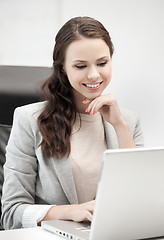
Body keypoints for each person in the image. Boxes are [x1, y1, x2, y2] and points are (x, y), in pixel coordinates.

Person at [1, 16, 144, 229]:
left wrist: (120, 126)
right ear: (63, 69)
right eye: (80, 66)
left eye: (102, 63)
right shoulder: (28, 120)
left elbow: (140, 200)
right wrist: (70, 212)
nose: (94, 75)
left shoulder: (129, 121)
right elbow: (11, 214)